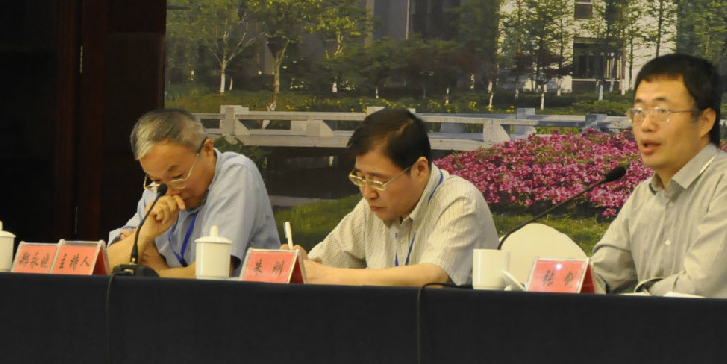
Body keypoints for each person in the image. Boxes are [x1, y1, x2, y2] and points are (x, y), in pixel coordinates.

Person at [592, 53, 727, 298]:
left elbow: (699, 290)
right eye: (638, 111)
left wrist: (637, 298)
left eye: (661, 111)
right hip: (655, 323)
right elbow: (602, 273)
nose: (645, 125)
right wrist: (567, 283)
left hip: (721, 324)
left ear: (704, 121)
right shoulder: (644, 194)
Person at [290, 108, 498, 286]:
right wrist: (301, 264)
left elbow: (432, 278)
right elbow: (323, 264)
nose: (368, 193)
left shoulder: (460, 201)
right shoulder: (372, 206)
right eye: (361, 177)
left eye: (378, 181)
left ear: (420, 169)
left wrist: (328, 275)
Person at [106, 108, 280, 277]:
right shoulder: (160, 189)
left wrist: (158, 273)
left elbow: (214, 273)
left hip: (240, 296)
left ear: (207, 150)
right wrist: (144, 234)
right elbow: (105, 265)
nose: (170, 190)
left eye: (178, 176)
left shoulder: (236, 174)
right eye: (156, 179)